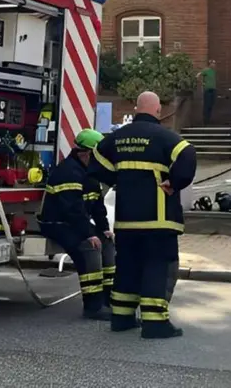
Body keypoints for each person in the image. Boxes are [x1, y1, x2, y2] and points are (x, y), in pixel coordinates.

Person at [88, 91, 197, 339]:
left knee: (127, 266)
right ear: (158, 110)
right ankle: (154, 323)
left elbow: (96, 162)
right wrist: (174, 182)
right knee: (156, 266)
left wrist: (117, 178)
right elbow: (188, 154)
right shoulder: (165, 137)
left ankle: (122, 317)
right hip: (158, 220)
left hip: (126, 220)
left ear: (136, 109)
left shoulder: (117, 138)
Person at [38, 128, 115, 321]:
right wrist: (89, 234)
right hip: (56, 223)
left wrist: (104, 228)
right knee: (89, 247)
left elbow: (97, 205)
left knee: (107, 243)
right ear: (87, 153)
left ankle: (109, 300)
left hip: (73, 222)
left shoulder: (89, 171)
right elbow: (73, 210)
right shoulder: (68, 172)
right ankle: (93, 306)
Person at [197, 60, 217, 126]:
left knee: (211, 105)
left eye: (214, 63)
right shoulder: (206, 70)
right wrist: (202, 83)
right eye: (212, 63)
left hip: (213, 90)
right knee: (207, 105)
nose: (214, 65)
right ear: (209, 64)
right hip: (207, 90)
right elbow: (198, 75)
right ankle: (205, 121)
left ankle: (209, 119)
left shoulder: (213, 71)